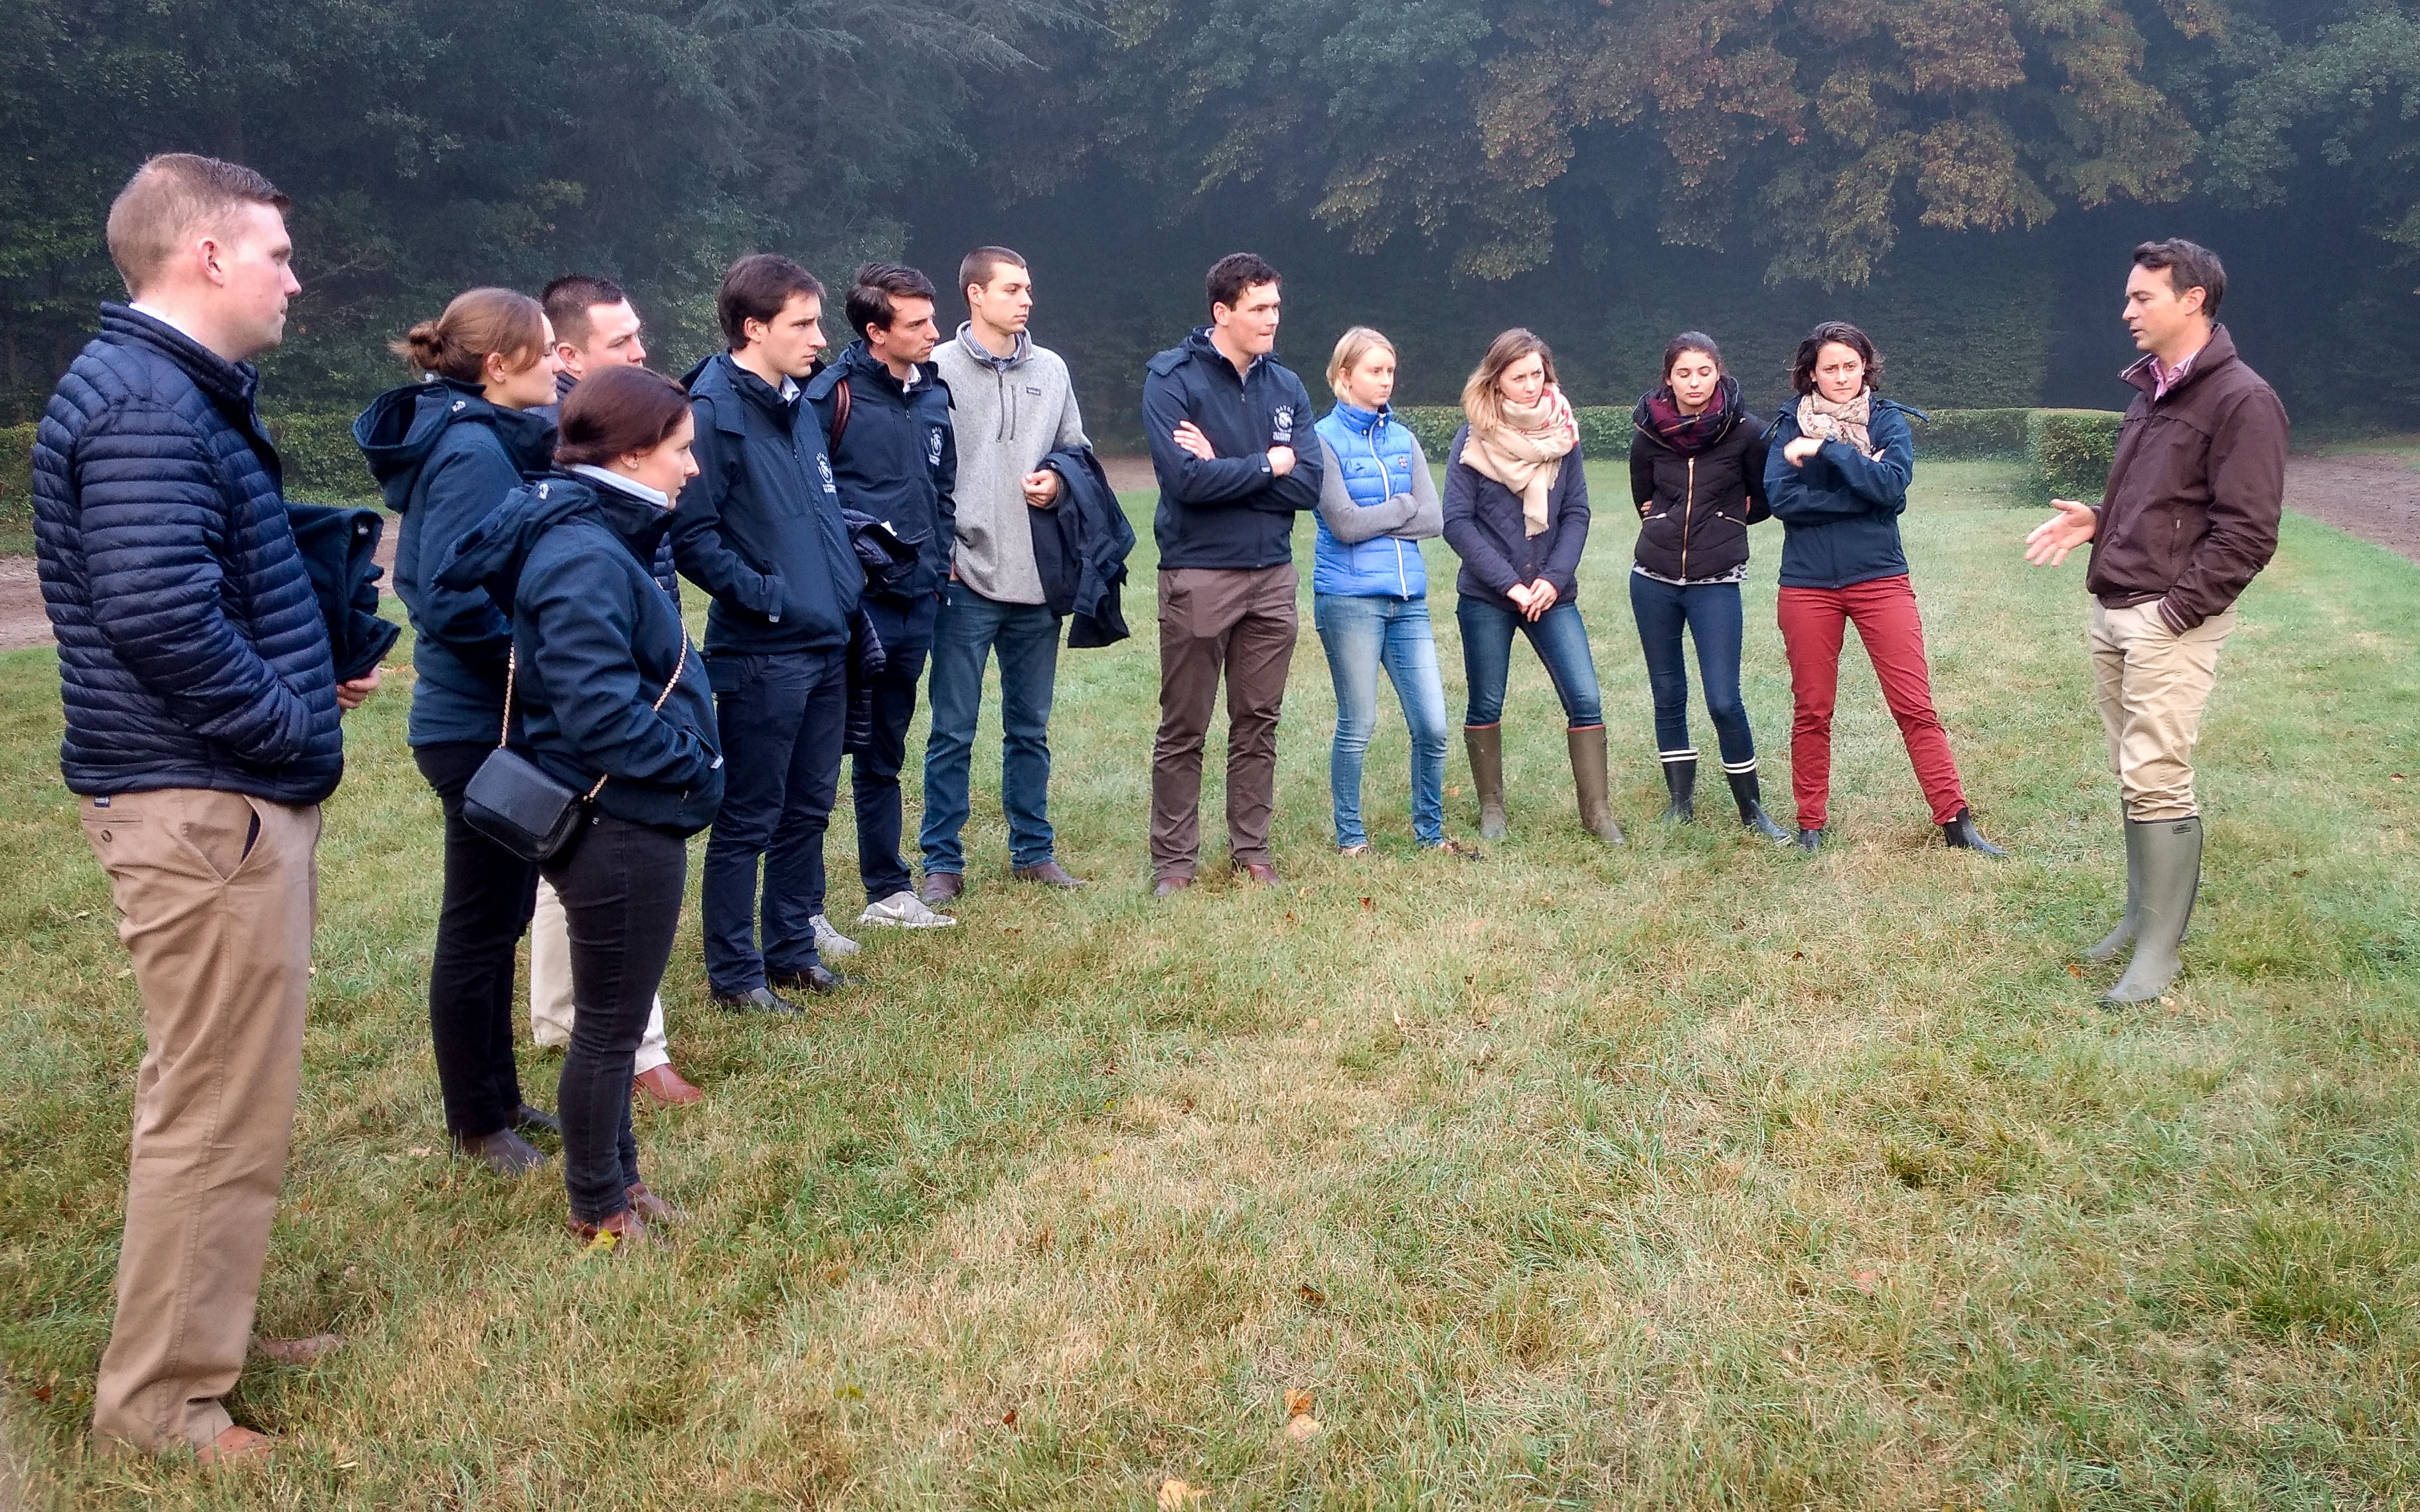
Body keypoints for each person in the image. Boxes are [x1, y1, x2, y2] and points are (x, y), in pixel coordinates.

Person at [35, 153, 380, 1462]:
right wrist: (288, 727)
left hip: (209, 791)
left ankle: (203, 1328)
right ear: (209, 258)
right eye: (279, 253)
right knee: (214, 1097)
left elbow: (197, 589)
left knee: (220, 1087)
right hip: (203, 805)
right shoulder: (142, 404)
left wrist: (304, 662)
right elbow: (158, 616)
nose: (296, 276)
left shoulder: (168, 391)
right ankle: (166, 1403)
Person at [436, 366, 722, 1250]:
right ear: (633, 453)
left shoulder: (592, 535)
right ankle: (598, 1207)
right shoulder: (583, 554)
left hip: (622, 813)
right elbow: (596, 708)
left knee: (619, 1017)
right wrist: (690, 760)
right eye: (681, 451)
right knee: (608, 1029)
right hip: (618, 823)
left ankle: (622, 1181)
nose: (693, 468)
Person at [2024, 239, 2286, 1004]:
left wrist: (2176, 613)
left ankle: (2159, 955)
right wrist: (2099, 521)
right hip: (2116, 604)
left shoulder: (2242, 399)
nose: (2128, 310)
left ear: (2193, 300)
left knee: (2159, 777)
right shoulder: (2155, 393)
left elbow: (2247, 532)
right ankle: (2140, 921)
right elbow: (2169, 503)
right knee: (2133, 772)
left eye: (2143, 297)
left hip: (2168, 620)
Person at [354, 288, 569, 1173]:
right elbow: (443, 591)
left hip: (489, 719)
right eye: (547, 350)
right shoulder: (472, 449)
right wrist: (528, 663)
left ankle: (500, 1095)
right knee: (479, 922)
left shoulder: (477, 437)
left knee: (501, 911)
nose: (560, 363)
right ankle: (478, 1124)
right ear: (497, 366)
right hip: (477, 724)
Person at [673, 254, 861, 1010]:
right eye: (804, 324)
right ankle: (736, 974)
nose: (821, 339)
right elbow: (692, 533)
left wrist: (844, 591)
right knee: (750, 813)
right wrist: (768, 597)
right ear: (754, 328)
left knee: (809, 806)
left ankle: (790, 951)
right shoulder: (711, 411)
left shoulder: (803, 403)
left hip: (827, 642)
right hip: (762, 651)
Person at [530, 273, 700, 1105]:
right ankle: (623, 1048)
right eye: (621, 342)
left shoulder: (626, 453)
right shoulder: (563, 469)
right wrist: (686, 758)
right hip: (597, 724)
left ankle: (589, 1025)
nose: (641, 351)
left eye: (640, 336)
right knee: (599, 858)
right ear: (566, 357)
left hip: (629, 676)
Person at [1765, 321, 2003, 857]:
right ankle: (1809, 825)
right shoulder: (1786, 424)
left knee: (1914, 705)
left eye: (1851, 366)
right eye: (1830, 368)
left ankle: (1955, 822)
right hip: (1807, 585)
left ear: (1865, 367)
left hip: (1879, 579)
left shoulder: (1887, 419)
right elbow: (1781, 499)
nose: (1842, 376)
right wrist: (1864, 489)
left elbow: (1892, 485)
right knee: (1811, 709)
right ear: (1811, 373)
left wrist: (1828, 452)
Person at [1141, 252, 1323, 894]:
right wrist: (1267, 465)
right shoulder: (1171, 378)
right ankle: (1173, 864)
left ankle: (1252, 850)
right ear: (1222, 312)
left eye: (1276, 307)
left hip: (1272, 577)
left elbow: (1308, 483)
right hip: (1198, 574)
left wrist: (1235, 467)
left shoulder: (1289, 387)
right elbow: (1185, 481)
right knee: (1184, 726)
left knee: (1258, 723)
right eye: (1259, 309)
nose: (1272, 319)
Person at [920, 247, 1092, 898]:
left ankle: (1034, 851)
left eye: (1029, 288)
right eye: (1013, 288)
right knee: (953, 729)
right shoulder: (934, 369)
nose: (1026, 300)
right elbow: (921, 471)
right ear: (975, 296)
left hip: (1037, 579)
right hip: (964, 579)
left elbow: (1077, 452)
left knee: (1030, 729)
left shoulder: (1052, 369)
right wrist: (944, 557)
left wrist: (1058, 480)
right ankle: (942, 862)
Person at [805, 264, 959, 928]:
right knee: (813, 760)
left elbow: (942, 486)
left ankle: (888, 892)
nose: (934, 331)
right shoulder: (829, 397)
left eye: (932, 317)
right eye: (918, 322)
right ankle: (801, 910)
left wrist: (940, 556)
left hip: (917, 602)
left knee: (885, 751)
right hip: (851, 607)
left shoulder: (933, 394)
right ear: (876, 331)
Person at [1442, 329, 1621, 845]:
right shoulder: (1471, 438)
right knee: (1486, 703)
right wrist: (1510, 585)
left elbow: (1576, 513)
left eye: (1536, 376)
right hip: (1487, 596)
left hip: (1552, 593)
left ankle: (1597, 813)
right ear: (1495, 381)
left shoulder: (1564, 436)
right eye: (1517, 377)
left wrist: (1551, 579)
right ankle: (1492, 811)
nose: (1529, 386)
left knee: (1585, 698)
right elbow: (1457, 521)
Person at [1625, 331, 1791, 842]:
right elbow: (1641, 493)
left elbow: (1767, 495)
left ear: (1718, 371)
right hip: (1652, 580)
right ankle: (1680, 803)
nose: (1693, 382)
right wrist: (1660, 522)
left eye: (1703, 372)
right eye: (1683, 373)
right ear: (1668, 377)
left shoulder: (1747, 432)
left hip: (1715, 581)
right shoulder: (1648, 432)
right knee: (1668, 693)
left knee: (1723, 699)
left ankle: (1751, 811)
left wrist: (1730, 521)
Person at [1307, 326, 1456, 856]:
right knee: (1359, 723)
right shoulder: (1321, 439)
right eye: (1374, 370)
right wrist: (1398, 508)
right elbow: (1343, 524)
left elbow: (1435, 519)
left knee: (1433, 726)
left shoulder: (1404, 439)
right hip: (1348, 600)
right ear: (1343, 376)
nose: (1385, 380)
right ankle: (1351, 838)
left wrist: (1383, 516)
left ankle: (1430, 834)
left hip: (1408, 600)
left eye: (1390, 370)